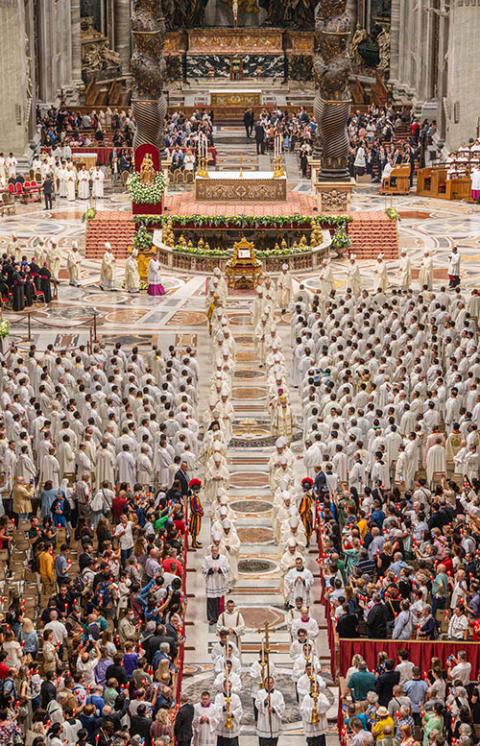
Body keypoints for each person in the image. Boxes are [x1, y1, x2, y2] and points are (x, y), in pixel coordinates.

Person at [255, 676, 285, 746]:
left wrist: (274, 708)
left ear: (273, 683)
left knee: (273, 743)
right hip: (264, 723)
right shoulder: (260, 693)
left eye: (271, 683)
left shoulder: (278, 694)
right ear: (264, 683)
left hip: (274, 722)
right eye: (267, 683)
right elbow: (257, 704)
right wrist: (264, 701)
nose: (269, 684)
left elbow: (282, 706)